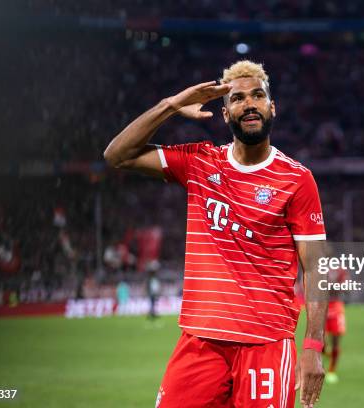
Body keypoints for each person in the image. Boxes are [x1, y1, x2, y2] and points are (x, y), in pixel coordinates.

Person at [104, 60, 328, 408]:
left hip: (266, 345)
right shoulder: (199, 162)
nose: (249, 104)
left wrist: (313, 347)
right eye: (237, 98)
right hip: (201, 342)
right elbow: (117, 155)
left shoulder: (297, 180)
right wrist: (172, 105)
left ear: (272, 107)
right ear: (225, 114)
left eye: (258, 95)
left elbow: (316, 268)